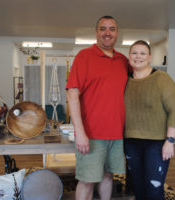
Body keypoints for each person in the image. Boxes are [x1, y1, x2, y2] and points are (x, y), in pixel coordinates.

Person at [66, 16, 129, 200]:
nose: (107, 33)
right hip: (92, 134)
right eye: (103, 28)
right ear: (96, 33)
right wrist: (80, 132)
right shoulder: (84, 56)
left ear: (117, 33)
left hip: (117, 135)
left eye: (112, 29)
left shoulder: (123, 61)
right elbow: (72, 94)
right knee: (87, 180)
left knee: (108, 176)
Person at [124, 40, 175, 200]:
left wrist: (170, 140)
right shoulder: (125, 81)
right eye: (134, 53)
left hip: (156, 143)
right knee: (138, 187)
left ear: (149, 57)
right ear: (129, 56)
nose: (138, 56)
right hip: (130, 143)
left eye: (142, 53)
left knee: (154, 189)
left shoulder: (162, 79)